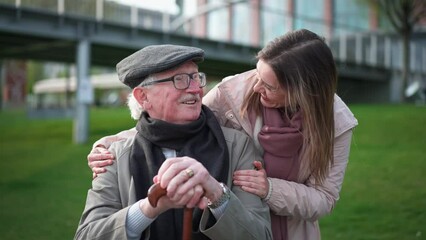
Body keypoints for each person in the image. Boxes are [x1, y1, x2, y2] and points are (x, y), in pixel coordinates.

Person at [87, 29, 358, 240]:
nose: (257, 87)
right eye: (257, 75)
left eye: (269, 85)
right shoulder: (235, 92)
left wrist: (269, 189)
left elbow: (324, 197)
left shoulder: (336, 121)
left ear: (301, 92)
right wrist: (115, 143)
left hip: (287, 227)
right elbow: (176, 116)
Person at [75, 44, 272, 240]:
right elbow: (86, 235)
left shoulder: (238, 145)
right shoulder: (112, 156)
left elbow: (261, 235)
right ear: (143, 96)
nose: (196, 89)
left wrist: (216, 193)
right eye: (180, 80)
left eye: (196, 77)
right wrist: (150, 208)